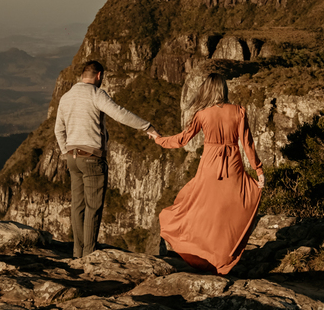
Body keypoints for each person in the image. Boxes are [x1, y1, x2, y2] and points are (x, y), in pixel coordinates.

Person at [148, 73, 264, 275]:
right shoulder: (238, 111)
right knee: (228, 211)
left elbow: (182, 140)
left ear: (207, 90)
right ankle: (223, 257)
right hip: (233, 165)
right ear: (224, 89)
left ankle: (203, 256)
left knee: (201, 209)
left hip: (210, 166)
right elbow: (247, 144)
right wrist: (258, 170)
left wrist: (159, 139)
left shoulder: (202, 114)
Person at [55, 60, 156, 258]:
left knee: (77, 206)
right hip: (92, 158)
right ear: (99, 76)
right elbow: (119, 114)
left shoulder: (66, 97)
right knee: (93, 207)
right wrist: (147, 127)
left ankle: (77, 253)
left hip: (72, 157)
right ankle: (89, 254)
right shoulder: (95, 94)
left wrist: (65, 152)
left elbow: (59, 129)